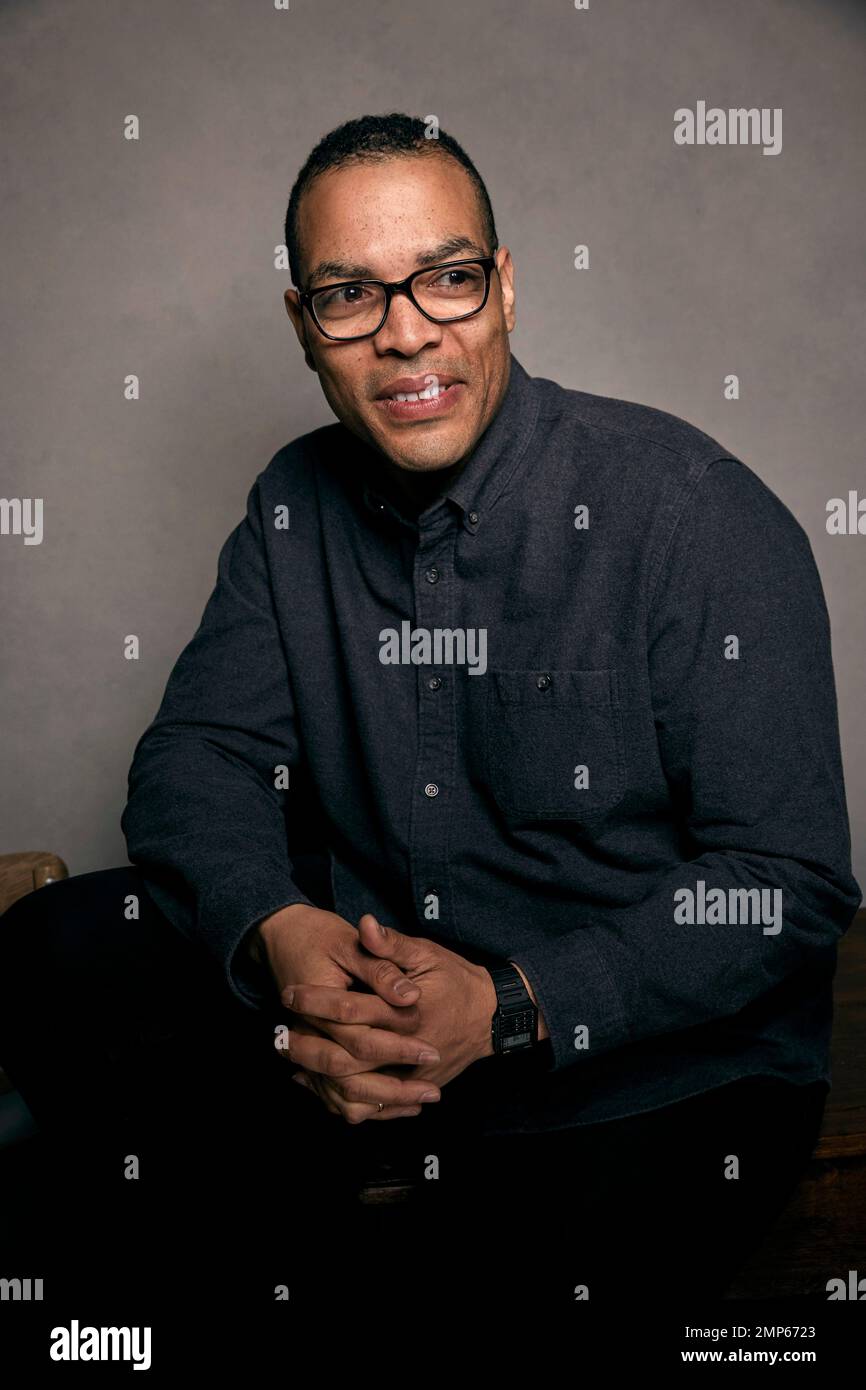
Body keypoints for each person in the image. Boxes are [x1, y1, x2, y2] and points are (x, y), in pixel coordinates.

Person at [0, 112, 860, 1315]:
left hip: (644, 1073)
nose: (406, 334)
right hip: (364, 1011)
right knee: (62, 942)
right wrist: (278, 935)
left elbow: (787, 878)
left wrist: (504, 1006)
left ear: (504, 290)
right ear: (305, 327)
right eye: (350, 294)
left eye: (446, 279)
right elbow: (199, 754)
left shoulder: (689, 513)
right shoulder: (294, 501)